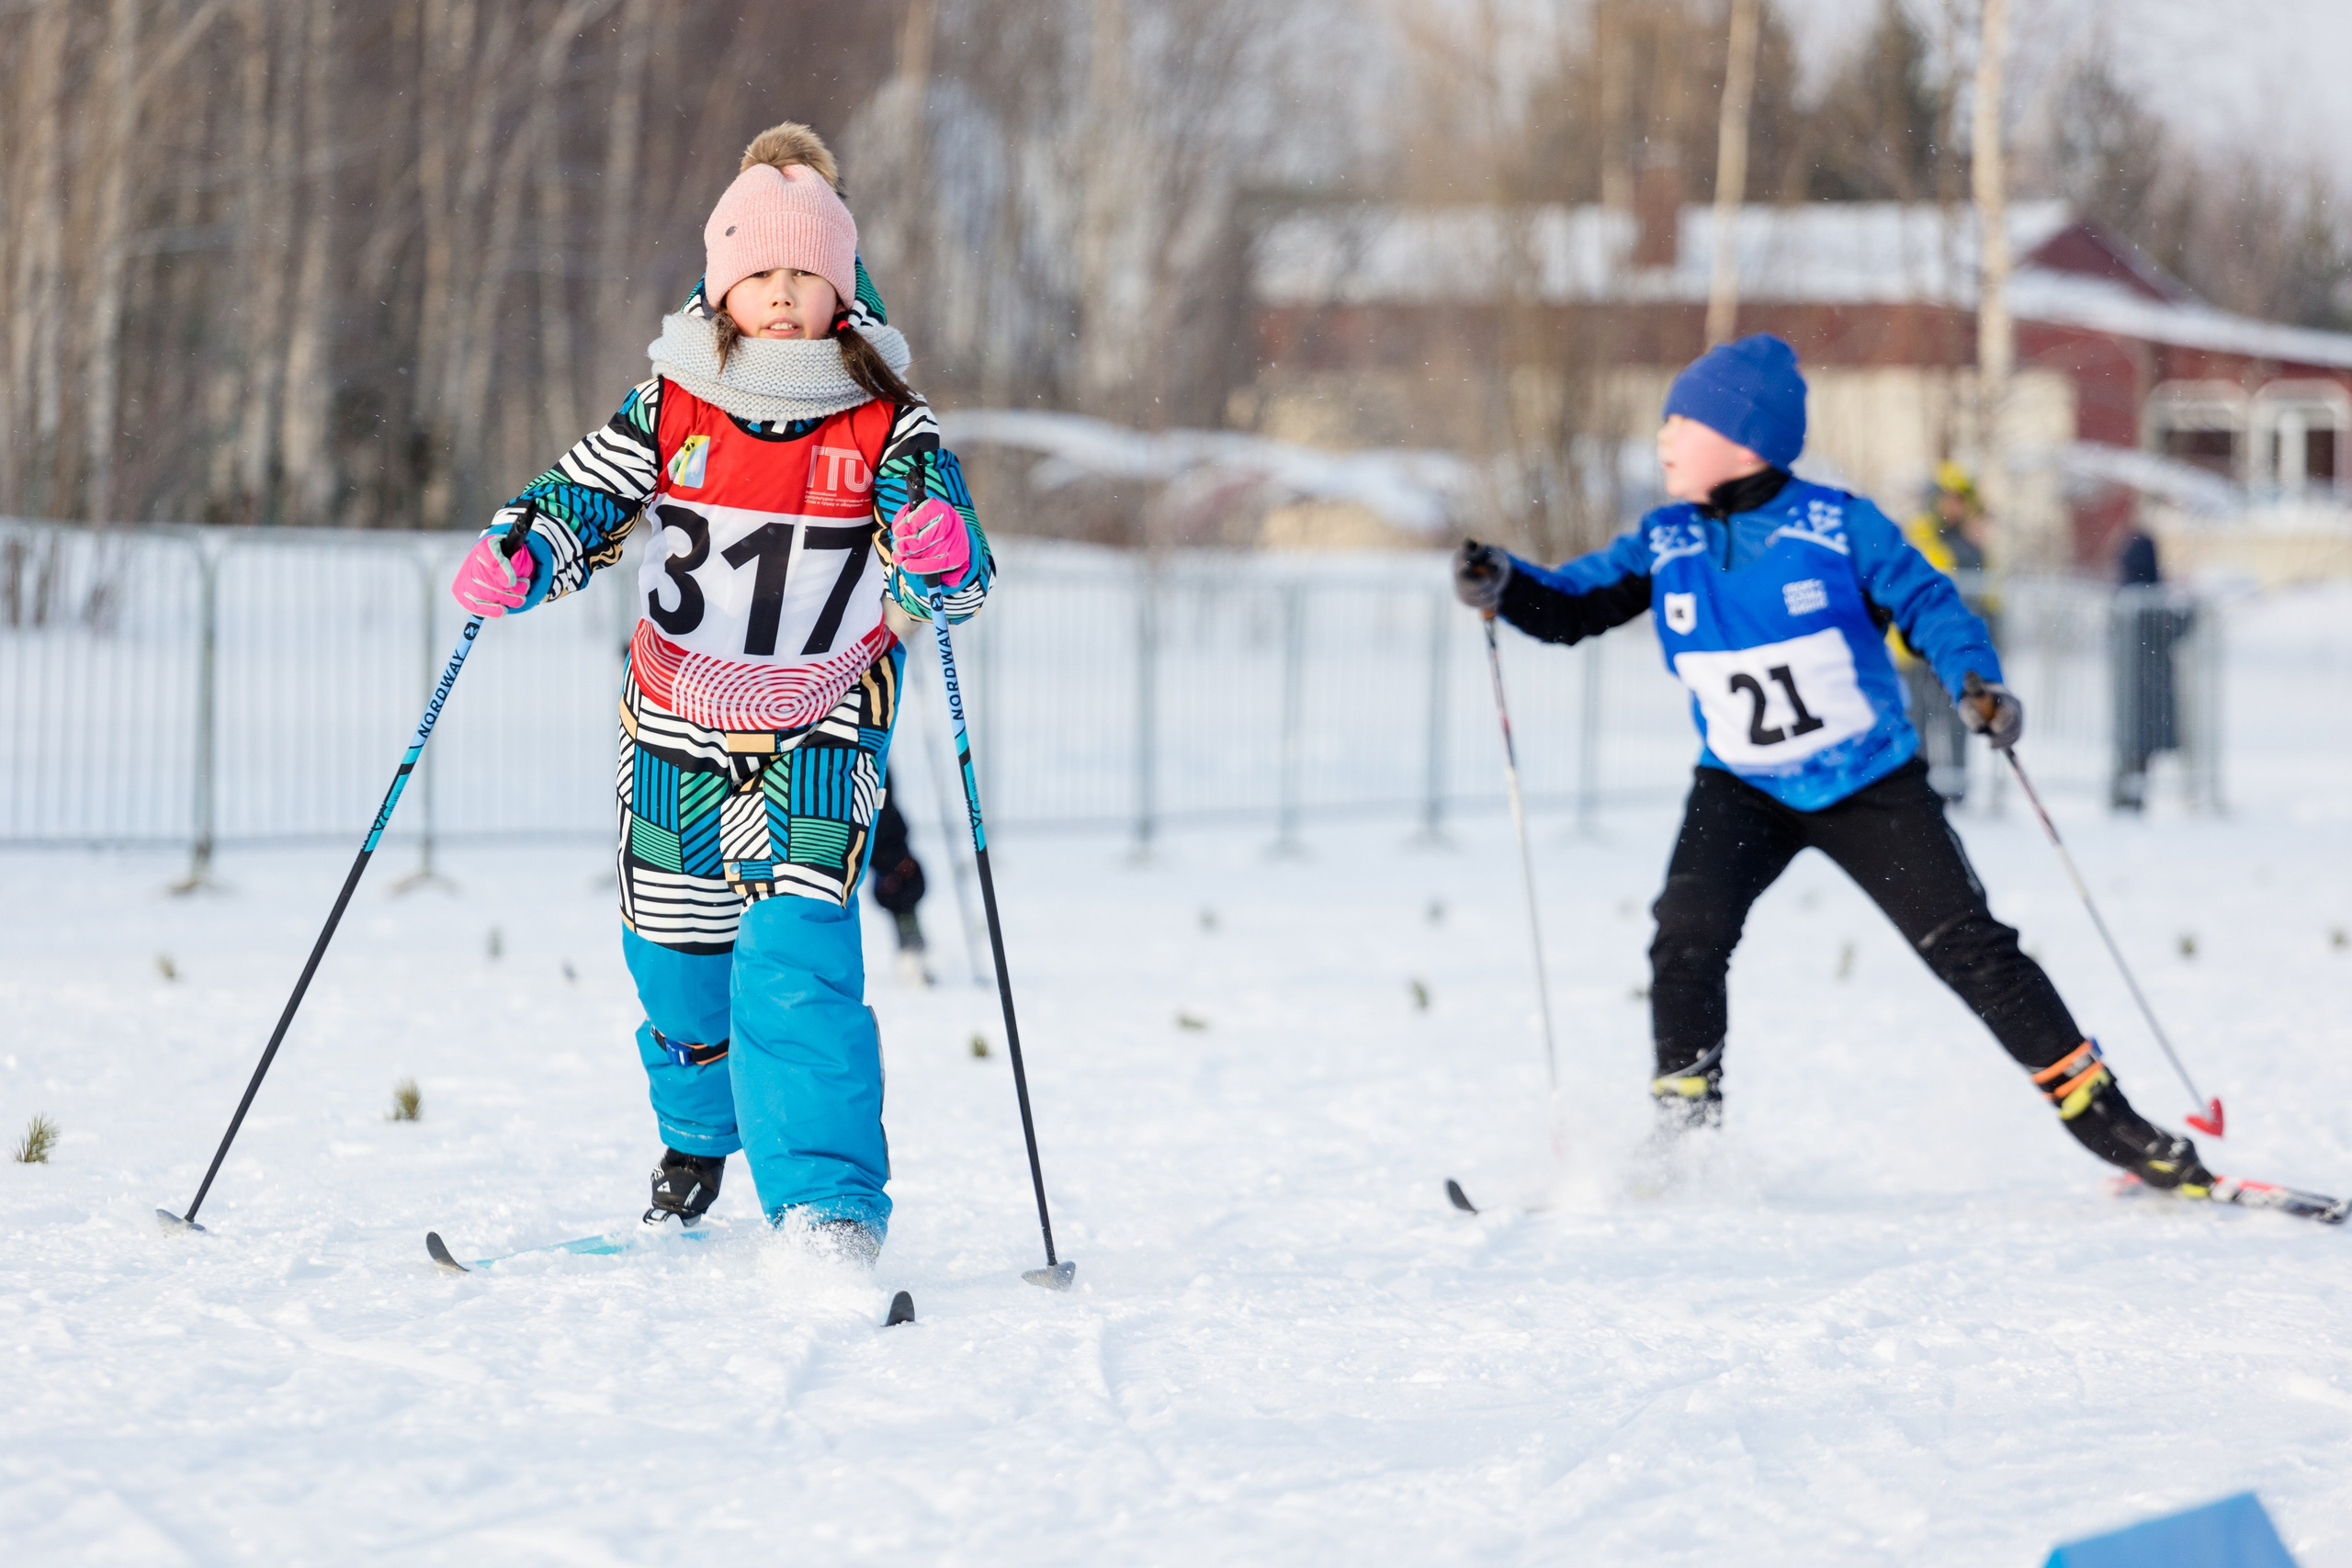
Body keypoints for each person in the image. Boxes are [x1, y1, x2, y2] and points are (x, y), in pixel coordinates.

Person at [1452, 334, 2214, 1195]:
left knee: (1971, 950)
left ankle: (2117, 1128)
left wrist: (1976, 683)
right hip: (1740, 786)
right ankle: (1685, 1139)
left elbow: (1929, 601)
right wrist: (1506, 584)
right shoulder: (1665, 541)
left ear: (1743, 435)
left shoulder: (1836, 525)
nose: (1662, 439)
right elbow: (1572, 607)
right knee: (1687, 934)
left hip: (1868, 785)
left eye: (1679, 423)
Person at [449, 122, 991, 1260]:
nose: (784, 299)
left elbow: (959, 569)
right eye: (761, 277)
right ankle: (697, 1135)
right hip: (674, 715)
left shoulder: (883, 414)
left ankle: (828, 1204)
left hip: (823, 716)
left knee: (797, 957)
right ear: (719, 285)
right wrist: (525, 547)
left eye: (807, 277)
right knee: (677, 956)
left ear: (839, 288)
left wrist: (940, 549)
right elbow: (585, 493)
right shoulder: (674, 400)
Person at [1895, 463, 1994, 803]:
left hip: (1954, 650)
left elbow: (1990, 593)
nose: (1955, 507)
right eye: (1950, 499)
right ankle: (1919, 792)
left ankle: (1956, 789)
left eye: (1961, 500)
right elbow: (1935, 574)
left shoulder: (1973, 542)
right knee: (1920, 721)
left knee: (1957, 718)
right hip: (1916, 649)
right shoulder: (1923, 532)